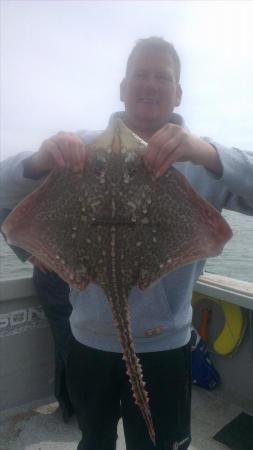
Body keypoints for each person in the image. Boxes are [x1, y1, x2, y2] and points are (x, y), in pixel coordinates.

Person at [1, 37, 253, 450]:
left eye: (162, 77)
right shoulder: (80, 152)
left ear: (178, 93)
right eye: (140, 74)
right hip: (88, 342)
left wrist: (208, 153)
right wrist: (38, 162)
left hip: (165, 348)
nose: (150, 85)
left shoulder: (199, 159)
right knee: (94, 439)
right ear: (122, 87)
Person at [0, 209, 74, 423]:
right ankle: (73, 406)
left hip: (88, 277)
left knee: (83, 341)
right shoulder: (41, 177)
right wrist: (29, 253)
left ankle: (83, 405)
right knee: (68, 340)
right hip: (53, 277)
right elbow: (4, 209)